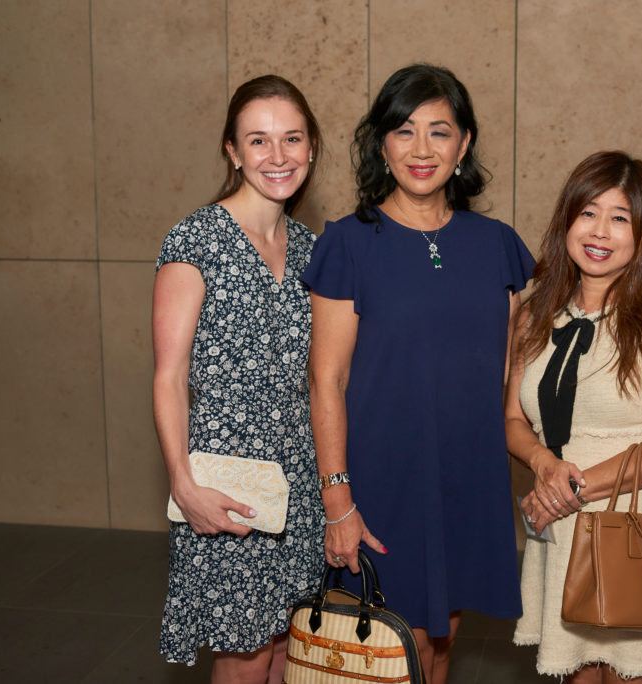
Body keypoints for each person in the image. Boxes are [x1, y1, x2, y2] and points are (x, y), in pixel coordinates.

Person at [302, 63, 534, 684]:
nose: (422, 148)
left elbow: (518, 369)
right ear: (382, 144)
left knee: (440, 642)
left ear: (463, 145)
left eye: (440, 131)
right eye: (404, 131)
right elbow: (326, 379)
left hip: (468, 473)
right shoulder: (348, 244)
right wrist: (337, 498)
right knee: (379, 648)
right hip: (382, 477)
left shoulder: (498, 244)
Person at [507, 151, 642, 683]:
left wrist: (563, 491)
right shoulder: (535, 314)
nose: (600, 231)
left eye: (620, 218)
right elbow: (512, 420)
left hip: (633, 521)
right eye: (588, 213)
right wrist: (543, 464)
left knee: (631, 675)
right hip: (562, 520)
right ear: (567, 220)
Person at [153, 75, 324, 682]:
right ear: (232, 151)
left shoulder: (312, 250)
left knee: (287, 652)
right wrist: (183, 483)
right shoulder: (195, 240)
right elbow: (169, 377)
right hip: (228, 480)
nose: (277, 156)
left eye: (292, 139)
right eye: (258, 140)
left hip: (298, 476)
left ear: (311, 148)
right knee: (245, 660)